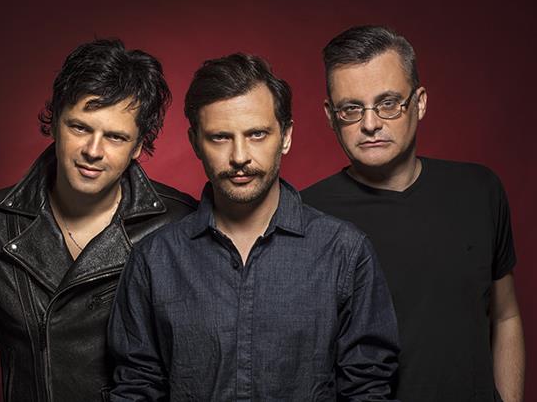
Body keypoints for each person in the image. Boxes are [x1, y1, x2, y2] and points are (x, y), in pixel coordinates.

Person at [108, 52, 400, 401]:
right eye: (220, 137)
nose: (240, 157)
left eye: (257, 134)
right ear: (195, 143)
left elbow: (367, 389)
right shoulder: (155, 259)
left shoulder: (344, 252)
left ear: (286, 136)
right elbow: (136, 386)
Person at [0, 38, 196, 402]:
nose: (93, 151)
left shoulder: (177, 221)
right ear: (54, 123)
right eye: (80, 127)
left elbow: (199, 357)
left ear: (137, 147)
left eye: (115, 137)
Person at [301, 25, 525, 402]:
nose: (370, 124)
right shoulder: (306, 215)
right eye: (351, 109)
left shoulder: (479, 190)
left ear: (419, 102)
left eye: (389, 103)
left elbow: (506, 316)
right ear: (330, 115)